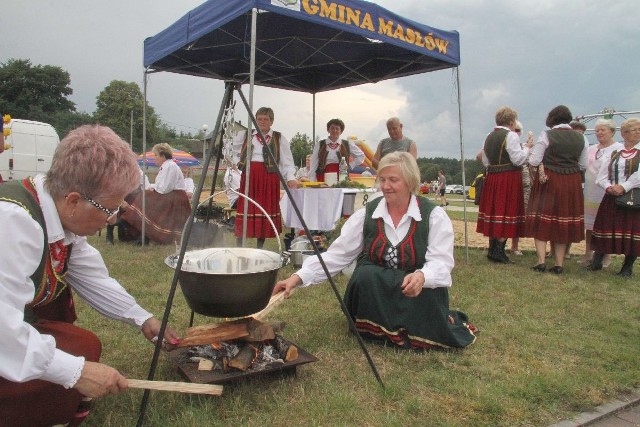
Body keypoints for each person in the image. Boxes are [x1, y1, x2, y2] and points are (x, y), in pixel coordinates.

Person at [0, 125, 179, 427]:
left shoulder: (57, 213)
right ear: (73, 200)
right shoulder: (13, 223)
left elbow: (93, 277)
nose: (112, 219)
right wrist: (76, 372)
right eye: (109, 209)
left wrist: (142, 317)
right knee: (72, 361)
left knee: (84, 345)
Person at [273, 152, 477, 351]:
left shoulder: (433, 216)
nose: (386, 186)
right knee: (366, 274)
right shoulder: (367, 214)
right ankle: (373, 324)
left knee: (421, 286)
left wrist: (423, 276)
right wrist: (298, 277)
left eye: (393, 180)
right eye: (382, 179)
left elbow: (442, 263)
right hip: (376, 294)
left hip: (415, 294)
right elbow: (338, 255)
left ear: (410, 181)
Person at [526, 105, 588, 274]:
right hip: (571, 182)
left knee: (542, 219)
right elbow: (583, 165)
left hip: (550, 180)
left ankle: (541, 261)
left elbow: (533, 160)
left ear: (552, 119)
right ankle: (559, 264)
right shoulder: (581, 138)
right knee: (562, 221)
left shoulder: (547, 135)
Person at [234, 107, 300, 248]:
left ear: (271, 121)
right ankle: (239, 246)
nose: (262, 122)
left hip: (269, 177)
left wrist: (290, 178)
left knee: (263, 209)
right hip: (250, 176)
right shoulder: (246, 135)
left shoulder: (279, 138)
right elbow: (228, 148)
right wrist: (238, 162)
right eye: (259, 119)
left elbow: (287, 162)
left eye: (266, 119)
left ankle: (260, 247)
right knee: (247, 207)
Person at [476, 109, 532, 263]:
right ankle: (499, 251)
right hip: (508, 178)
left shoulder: (488, 137)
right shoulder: (511, 136)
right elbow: (518, 160)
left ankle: (492, 249)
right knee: (507, 210)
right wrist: (527, 147)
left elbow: (485, 160)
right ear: (511, 122)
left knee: (495, 211)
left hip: (493, 177)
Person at [589, 118, 640, 277]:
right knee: (605, 227)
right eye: (634, 129)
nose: (638, 132)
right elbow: (601, 176)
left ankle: (627, 267)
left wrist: (623, 187)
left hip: (633, 196)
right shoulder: (614, 152)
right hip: (611, 197)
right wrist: (608, 187)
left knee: (631, 230)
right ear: (624, 134)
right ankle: (597, 261)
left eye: (639, 129)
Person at [119, 143, 192, 245]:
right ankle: (142, 235)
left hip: (175, 199)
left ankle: (144, 235)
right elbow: (162, 186)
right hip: (171, 196)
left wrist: (152, 189)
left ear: (163, 155)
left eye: (156, 155)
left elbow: (165, 188)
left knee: (144, 199)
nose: (154, 158)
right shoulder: (166, 166)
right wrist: (152, 188)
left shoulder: (170, 166)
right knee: (145, 200)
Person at [580, 119, 622, 265]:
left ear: (612, 131)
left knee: (606, 225)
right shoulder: (592, 149)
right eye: (597, 130)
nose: (599, 133)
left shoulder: (619, 149)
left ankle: (606, 257)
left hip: (607, 192)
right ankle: (587, 253)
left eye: (602, 130)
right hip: (590, 192)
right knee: (590, 226)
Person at [105, 167, 150, 244]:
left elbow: (147, 189)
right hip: (121, 200)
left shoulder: (141, 175)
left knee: (137, 215)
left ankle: (140, 238)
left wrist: (133, 206)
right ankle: (109, 236)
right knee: (113, 212)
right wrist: (121, 202)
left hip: (135, 202)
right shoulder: (118, 174)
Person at [509, 122, 533, 256]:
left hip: (524, 184)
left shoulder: (525, 147)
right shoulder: (511, 145)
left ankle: (515, 245)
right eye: (515, 129)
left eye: (518, 130)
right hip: (512, 182)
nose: (516, 132)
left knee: (520, 215)